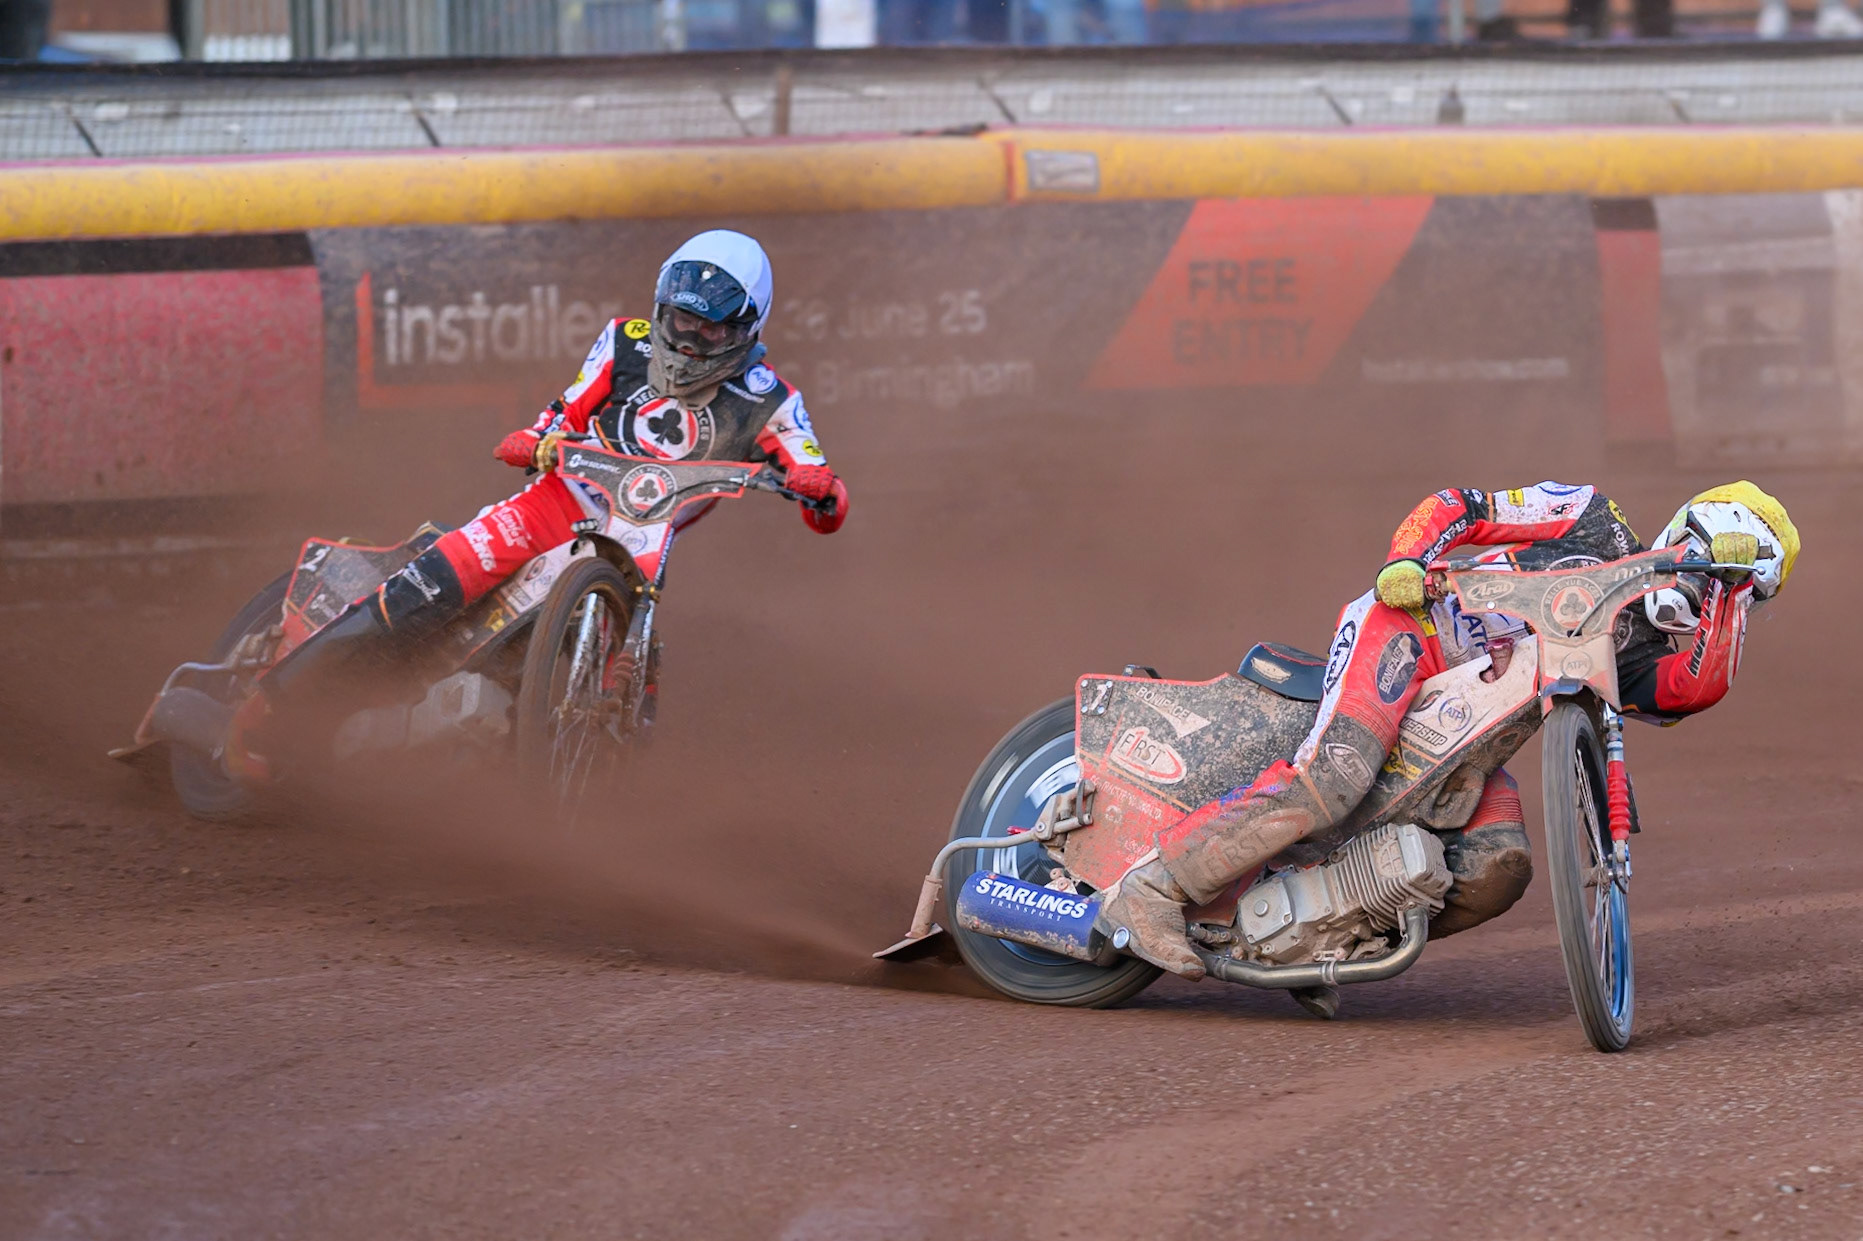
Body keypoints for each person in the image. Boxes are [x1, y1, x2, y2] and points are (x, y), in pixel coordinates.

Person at [1098, 481, 1799, 980]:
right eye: (1710, 568)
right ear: (1684, 533)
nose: (1709, 593)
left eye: (1739, 593)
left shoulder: (1642, 659)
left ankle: (1316, 943)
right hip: (1412, 633)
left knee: (1498, 868)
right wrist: (1406, 559)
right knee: (1336, 776)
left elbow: (1688, 694)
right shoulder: (1594, 518)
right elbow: (1462, 506)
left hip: (1466, 746)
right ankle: (1152, 887)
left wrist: (1731, 595)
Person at [225, 230, 848, 775]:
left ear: (747, 328)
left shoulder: (770, 398)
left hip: (646, 533)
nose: (691, 340)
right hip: (560, 497)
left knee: (636, 642)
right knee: (446, 575)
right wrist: (537, 437)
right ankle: (279, 702)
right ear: (663, 311)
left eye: (712, 327)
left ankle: (572, 749)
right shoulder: (624, 342)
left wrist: (821, 493)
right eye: (683, 321)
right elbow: (567, 408)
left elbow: (815, 478)